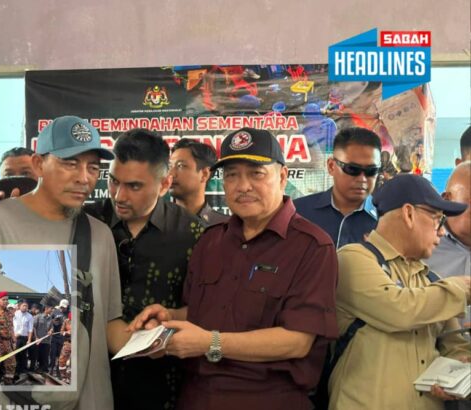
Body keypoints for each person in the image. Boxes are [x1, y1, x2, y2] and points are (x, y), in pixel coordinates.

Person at [130, 128, 339, 410]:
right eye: (231, 175)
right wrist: (169, 318)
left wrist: (211, 343)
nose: (243, 186)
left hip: (268, 399)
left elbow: (297, 340)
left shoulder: (312, 246)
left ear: (282, 176)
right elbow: (201, 312)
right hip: (195, 397)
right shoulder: (210, 240)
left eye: (256, 173)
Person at [0, 115, 128, 409]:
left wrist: (157, 338)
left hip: (91, 398)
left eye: (93, 167)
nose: (84, 178)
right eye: (70, 164)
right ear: (39, 164)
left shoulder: (100, 234)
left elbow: (108, 324)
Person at [85, 128, 205, 410]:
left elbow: (206, 309)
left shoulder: (193, 234)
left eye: (134, 186)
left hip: (163, 384)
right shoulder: (86, 222)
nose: (119, 195)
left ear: (164, 184)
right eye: (114, 181)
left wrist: (167, 320)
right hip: (90, 381)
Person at [328, 174, 471, 410]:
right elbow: (400, 309)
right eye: (437, 219)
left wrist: (457, 367)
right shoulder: (353, 259)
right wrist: (462, 288)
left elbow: (453, 343)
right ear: (408, 214)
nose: (441, 232)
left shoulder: (430, 280)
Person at [294, 127, 381, 247]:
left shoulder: (387, 221)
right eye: (352, 169)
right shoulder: (297, 213)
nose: (362, 179)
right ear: (331, 166)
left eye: (371, 171)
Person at [169, 138, 228, 226]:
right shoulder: (153, 223)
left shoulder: (225, 227)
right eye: (170, 166)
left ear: (204, 174)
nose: (171, 174)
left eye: (180, 166)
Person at [13, 300, 34, 377]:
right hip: (15, 337)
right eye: (24, 305)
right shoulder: (15, 314)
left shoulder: (29, 316)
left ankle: (20, 371)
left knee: (23, 355)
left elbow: (30, 329)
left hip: (24, 338)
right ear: (19, 306)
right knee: (15, 354)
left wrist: (29, 340)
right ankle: (14, 371)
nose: (25, 307)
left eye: (26, 306)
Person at [32, 305, 54, 373]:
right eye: (51, 308)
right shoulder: (38, 317)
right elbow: (34, 327)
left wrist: (51, 330)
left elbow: (52, 327)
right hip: (38, 340)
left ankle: (43, 369)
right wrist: (36, 337)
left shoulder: (50, 318)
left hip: (47, 341)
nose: (52, 310)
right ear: (46, 308)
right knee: (38, 355)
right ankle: (36, 368)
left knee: (45, 355)